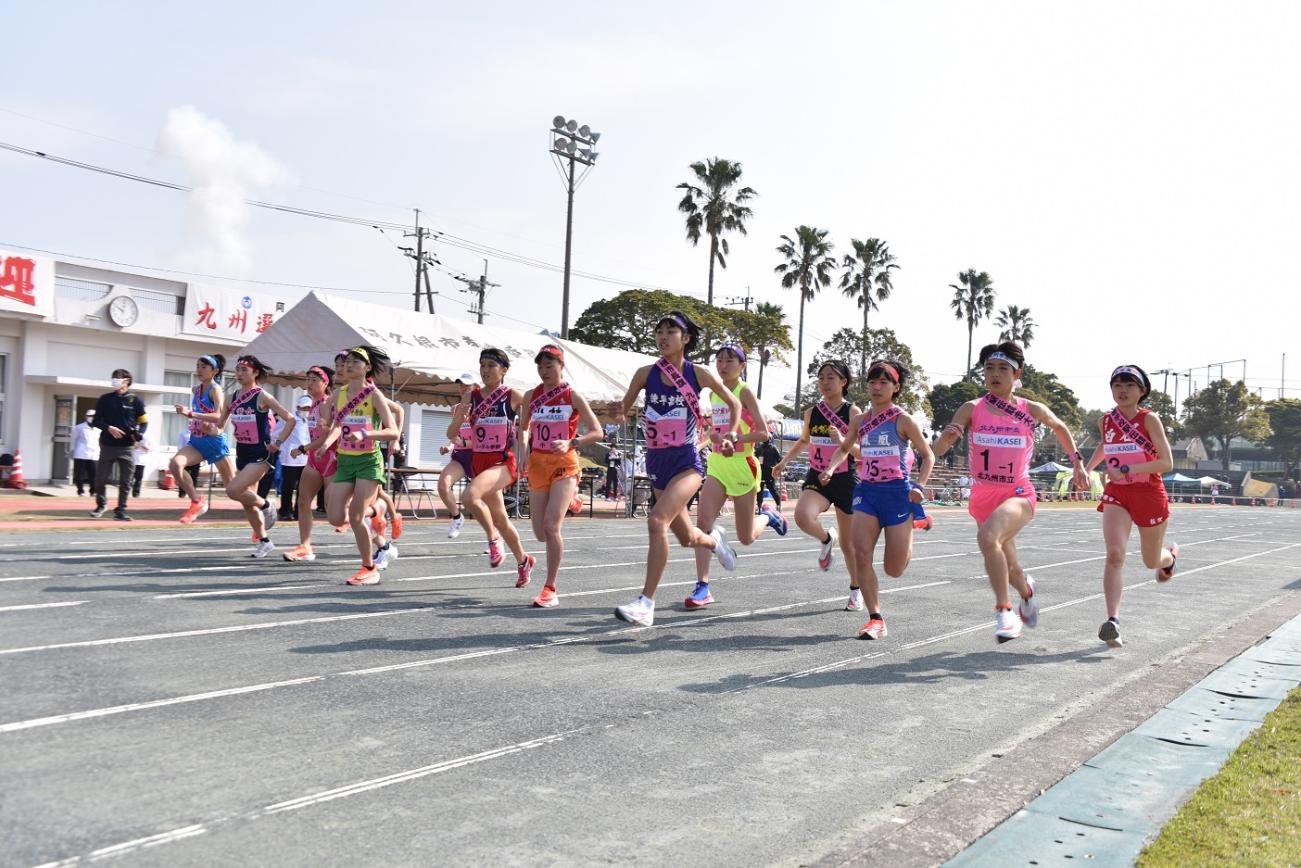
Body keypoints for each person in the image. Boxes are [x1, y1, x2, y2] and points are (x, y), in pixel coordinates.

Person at [933, 342, 1089, 643]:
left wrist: (1077, 464)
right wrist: (946, 440)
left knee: (988, 538)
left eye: (1003, 368)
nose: (995, 374)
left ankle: (1005, 612)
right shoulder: (972, 408)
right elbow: (937, 451)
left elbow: (1059, 427)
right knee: (1010, 563)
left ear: (1017, 373)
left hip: (1018, 493)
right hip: (982, 496)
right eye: (989, 368)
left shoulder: (1029, 409)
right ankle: (1026, 591)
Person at [612, 311, 742, 627]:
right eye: (659, 331)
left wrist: (731, 434)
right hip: (657, 462)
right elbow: (623, 411)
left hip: (687, 462)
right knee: (685, 537)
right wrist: (617, 413)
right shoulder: (645, 373)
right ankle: (715, 542)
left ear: (685, 339)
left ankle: (646, 603)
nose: (663, 336)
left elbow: (735, 404)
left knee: (657, 520)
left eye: (671, 331)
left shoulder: (699, 374)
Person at [820, 359, 934, 639]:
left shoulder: (903, 420)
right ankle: (875, 618)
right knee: (859, 551)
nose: (876, 387)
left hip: (897, 494)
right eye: (872, 382)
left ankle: (911, 528)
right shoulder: (861, 420)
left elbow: (927, 455)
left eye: (884, 382)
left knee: (893, 569)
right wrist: (832, 467)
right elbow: (846, 449)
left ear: (896, 388)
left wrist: (919, 485)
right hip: (867, 492)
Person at [686, 343, 787, 609]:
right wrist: (701, 444)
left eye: (730, 360)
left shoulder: (745, 391)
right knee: (703, 522)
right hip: (719, 464)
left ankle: (768, 515)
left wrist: (736, 438)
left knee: (745, 537)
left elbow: (764, 433)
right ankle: (703, 586)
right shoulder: (714, 394)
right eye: (719, 359)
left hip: (743, 465)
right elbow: (715, 430)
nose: (722, 364)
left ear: (742, 366)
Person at [1084, 365, 1178, 648]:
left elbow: (1167, 463)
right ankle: (1113, 621)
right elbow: (1105, 445)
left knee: (1151, 560)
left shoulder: (1149, 420)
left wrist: (1128, 467)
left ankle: (1169, 559)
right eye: (1117, 385)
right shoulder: (1106, 420)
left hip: (1149, 493)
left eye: (1129, 385)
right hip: (1117, 494)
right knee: (1114, 554)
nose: (1122, 391)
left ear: (1142, 391)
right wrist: (1087, 468)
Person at [183, 354, 295, 557]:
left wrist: (278, 443)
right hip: (242, 452)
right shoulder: (231, 398)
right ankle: (264, 541)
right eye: (238, 369)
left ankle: (267, 505)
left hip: (261, 454)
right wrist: (208, 429)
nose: (240, 373)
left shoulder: (262, 396)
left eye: (245, 370)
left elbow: (290, 419)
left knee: (233, 489)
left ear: (255, 373)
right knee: (247, 501)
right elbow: (220, 428)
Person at [773, 360, 864, 610]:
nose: (824, 382)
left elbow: (861, 452)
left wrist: (842, 439)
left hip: (845, 479)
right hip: (817, 476)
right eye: (821, 378)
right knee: (803, 515)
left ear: (843, 382)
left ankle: (856, 590)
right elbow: (804, 441)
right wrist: (784, 462)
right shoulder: (812, 412)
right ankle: (825, 539)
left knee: (849, 544)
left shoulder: (853, 412)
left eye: (830, 378)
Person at [517, 344, 603, 607]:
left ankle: (550, 588)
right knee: (540, 533)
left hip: (564, 463)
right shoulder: (531, 395)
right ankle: (572, 502)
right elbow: (522, 429)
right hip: (537, 464)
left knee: (552, 527)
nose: (544, 371)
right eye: (541, 366)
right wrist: (521, 454)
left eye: (549, 365)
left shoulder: (572, 395)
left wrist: (572, 443)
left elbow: (597, 432)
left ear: (561, 366)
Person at [447, 348, 535, 583]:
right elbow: (451, 433)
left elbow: (526, 426)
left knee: (469, 497)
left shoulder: (512, 395)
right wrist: (462, 411)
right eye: (482, 365)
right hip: (479, 462)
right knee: (502, 519)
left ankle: (493, 539)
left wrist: (525, 449)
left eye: (491, 366)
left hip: (503, 462)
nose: (485, 370)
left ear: (503, 370)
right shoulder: (472, 396)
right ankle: (524, 560)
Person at [323, 345, 400, 585]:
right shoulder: (339, 394)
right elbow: (336, 425)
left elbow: (392, 430)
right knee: (336, 517)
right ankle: (377, 510)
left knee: (355, 516)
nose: (349, 364)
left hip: (368, 461)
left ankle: (369, 568)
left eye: (356, 361)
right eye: (348, 361)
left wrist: (366, 434)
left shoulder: (374, 394)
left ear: (367, 368)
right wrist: (326, 442)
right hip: (346, 461)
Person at [283, 364, 337, 562]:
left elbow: (326, 438)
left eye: (315, 380)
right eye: (308, 379)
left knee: (334, 513)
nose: (310, 383)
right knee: (303, 501)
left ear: (326, 383)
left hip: (331, 459)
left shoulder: (327, 403)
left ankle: (376, 526)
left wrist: (303, 449)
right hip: (315, 460)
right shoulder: (312, 404)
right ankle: (305, 546)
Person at [172, 354, 235, 524]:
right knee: (175, 465)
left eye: (204, 367)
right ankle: (196, 502)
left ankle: (264, 506)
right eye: (198, 366)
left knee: (234, 489)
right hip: (197, 442)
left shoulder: (216, 390)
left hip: (214, 442)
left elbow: (219, 416)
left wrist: (191, 413)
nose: (199, 370)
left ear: (214, 371)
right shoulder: (196, 390)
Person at [90, 368, 148, 521]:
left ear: (127, 381)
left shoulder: (136, 400)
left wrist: (139, 433)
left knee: (126, 480)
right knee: (101, 478)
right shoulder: (105, 399)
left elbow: (144, 421)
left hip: (127, 447)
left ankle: (121, 509)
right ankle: (101, 504)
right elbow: (96, 421)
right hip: (107, 445)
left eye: (118, 378)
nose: (114, 380)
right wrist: (108, 427)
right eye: (113, 378)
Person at [437, 373, 477, 538]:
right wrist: (449, 446)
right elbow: (456, 436)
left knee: (482, 501)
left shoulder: (482, 408)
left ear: (475, 387)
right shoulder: (455, 409)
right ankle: (456, 517)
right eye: (460, 385)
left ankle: (495, 536)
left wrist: (463, 443)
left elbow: (483, 440)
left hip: (478, 457)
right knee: (442, 484)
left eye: (467, 385)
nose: (463, 388)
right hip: (460, 457)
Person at [277, 395, 314, 520]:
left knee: (303, 487)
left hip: (305, 458)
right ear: (298, 407)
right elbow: (276, 433)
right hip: (290, 458)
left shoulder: (311, 420)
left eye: (309, 408)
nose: (307, 410)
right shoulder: (289, 418)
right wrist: (280, 446)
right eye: (304, 408)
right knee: (288, 486)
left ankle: (299, 511)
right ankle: (285, 511)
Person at [70, 409, 98, 496]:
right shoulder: (79, 427)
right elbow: (73, 440)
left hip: (94, 454)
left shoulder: (99, 428)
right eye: (90, 416)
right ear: (86, 417)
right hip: (81, 453)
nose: (91, 418)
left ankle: (93, 491)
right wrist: (72, 450)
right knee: (80, 474)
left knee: (94, 474)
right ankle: (80, 491)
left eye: (93, 416)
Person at [757, 428, 784, 510]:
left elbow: (779, 459)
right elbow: (755, 457)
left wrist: (778, 468)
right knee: (759, 490)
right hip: (761, 472)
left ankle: (778, 505)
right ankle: (759, 506)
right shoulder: (760, 448)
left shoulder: (773, 448)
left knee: (772, 489)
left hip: (770, 472)